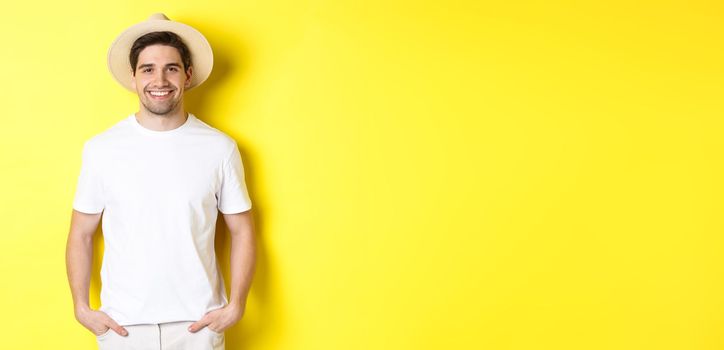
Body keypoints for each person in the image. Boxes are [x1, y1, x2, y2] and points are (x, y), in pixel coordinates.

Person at [65, 13, 256, 350]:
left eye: (171, 68)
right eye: (148, 69)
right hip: (123, 326)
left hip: (198, 325)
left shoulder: (219, 148)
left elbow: (242, 229)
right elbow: (81, 232)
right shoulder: (101, 149)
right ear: (134, 77)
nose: (160, 80)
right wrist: (82, 308)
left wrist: (236, 306)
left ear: (187, 74)